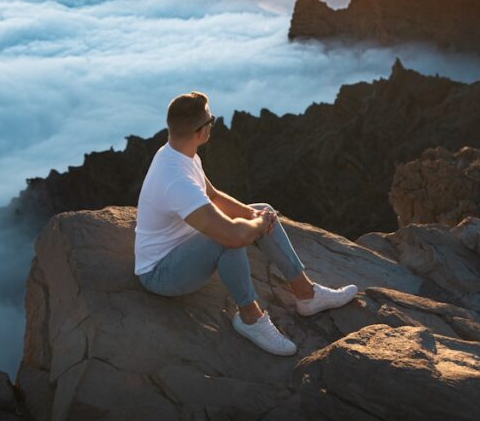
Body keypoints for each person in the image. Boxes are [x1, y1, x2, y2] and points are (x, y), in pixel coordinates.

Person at [134, 91, 358, 356]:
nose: (213, 125)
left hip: (183, 250)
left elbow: (212, 195)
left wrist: (256, 216)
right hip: (161, 274)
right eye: (211, 120)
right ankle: (250, 319)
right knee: (228, 239)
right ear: (201, 131)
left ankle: (307, 295)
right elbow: (233, 236)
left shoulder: (180, 154)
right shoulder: (176, 180)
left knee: (262, 210)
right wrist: (258, 226)